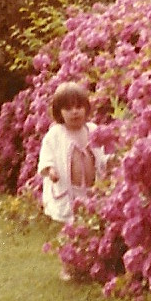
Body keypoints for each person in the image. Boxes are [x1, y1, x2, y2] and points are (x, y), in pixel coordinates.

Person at [37, 81, 108, 225]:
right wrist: (50, 169)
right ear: (59, 113)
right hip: (69, 189)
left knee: (93, 219)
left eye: (78, 107)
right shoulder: (56, 134)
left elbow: (102, 152)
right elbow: (47, 155)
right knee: (72, 222)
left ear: (86, 108)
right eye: (68, 109)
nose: (74, 112)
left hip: (92, 188)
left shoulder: (92, 130)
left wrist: (109, 162)